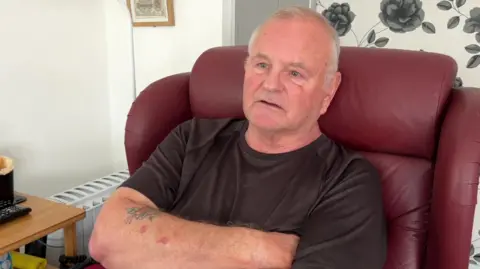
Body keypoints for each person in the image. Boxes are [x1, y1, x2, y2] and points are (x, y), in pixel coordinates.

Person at [89, 6, 387, 269]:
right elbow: (105, 238)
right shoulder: (191, 137)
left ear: (329, 90)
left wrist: (162, 249)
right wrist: (258, 251)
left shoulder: (348, 181)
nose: (270, 84)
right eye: (261, 64)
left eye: (295, 73)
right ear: (246, 69)